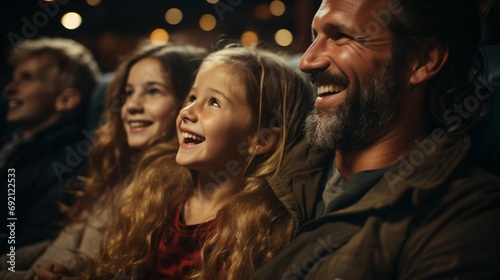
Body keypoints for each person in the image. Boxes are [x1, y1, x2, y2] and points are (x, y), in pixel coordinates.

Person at [251, 0, 500, 279]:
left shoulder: (463, 216)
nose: (308, 61)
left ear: (423, 59)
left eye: (341, 37)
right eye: (314, 36)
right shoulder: (269, 164)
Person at [87, 45, 325, 280]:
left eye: (213, 102)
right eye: (191, 97)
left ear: (260, 140)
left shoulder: (257, 228)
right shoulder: (157, 191)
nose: (187, 112)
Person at [0, 42, 206, 280]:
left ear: (187, 103)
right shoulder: (121, 169)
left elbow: (110, 266)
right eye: (128, 93)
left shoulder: (169, 185)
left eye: (153, 91)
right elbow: (63, 245)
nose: (131, 106)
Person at [0, 37, 101, 251]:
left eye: (26, 78)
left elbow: (25, 243)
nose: (9, 88)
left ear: (66, 100)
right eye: (14, 77)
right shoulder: (16, 141)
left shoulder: (70, 163)